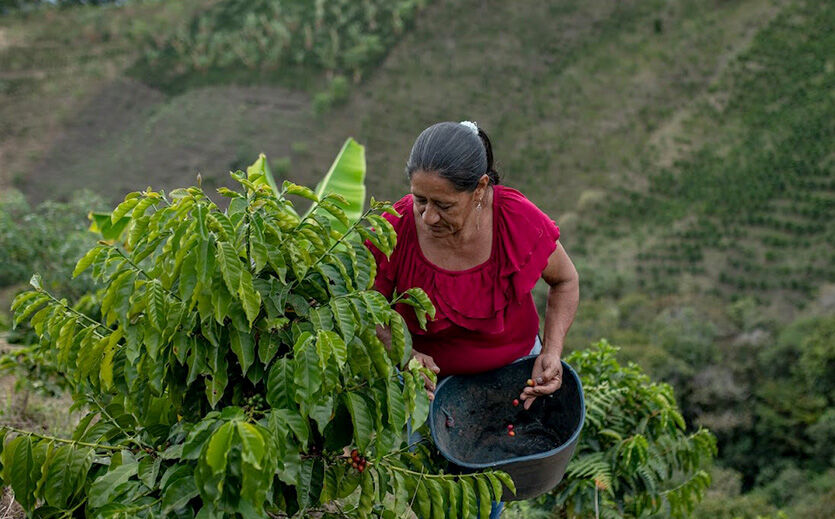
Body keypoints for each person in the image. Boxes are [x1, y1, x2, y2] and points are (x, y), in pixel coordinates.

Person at [369, 121, 579, 517]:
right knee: (433, 494)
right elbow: (370, 307)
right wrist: (406, 354)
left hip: (512, 378)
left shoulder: (515, 219)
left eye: (444, 205)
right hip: (431, 387)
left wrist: (551, 351)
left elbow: (565, 280)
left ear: (479, 189)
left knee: (488, 489)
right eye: (420, 201)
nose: (428, 217)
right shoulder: (395, 228)